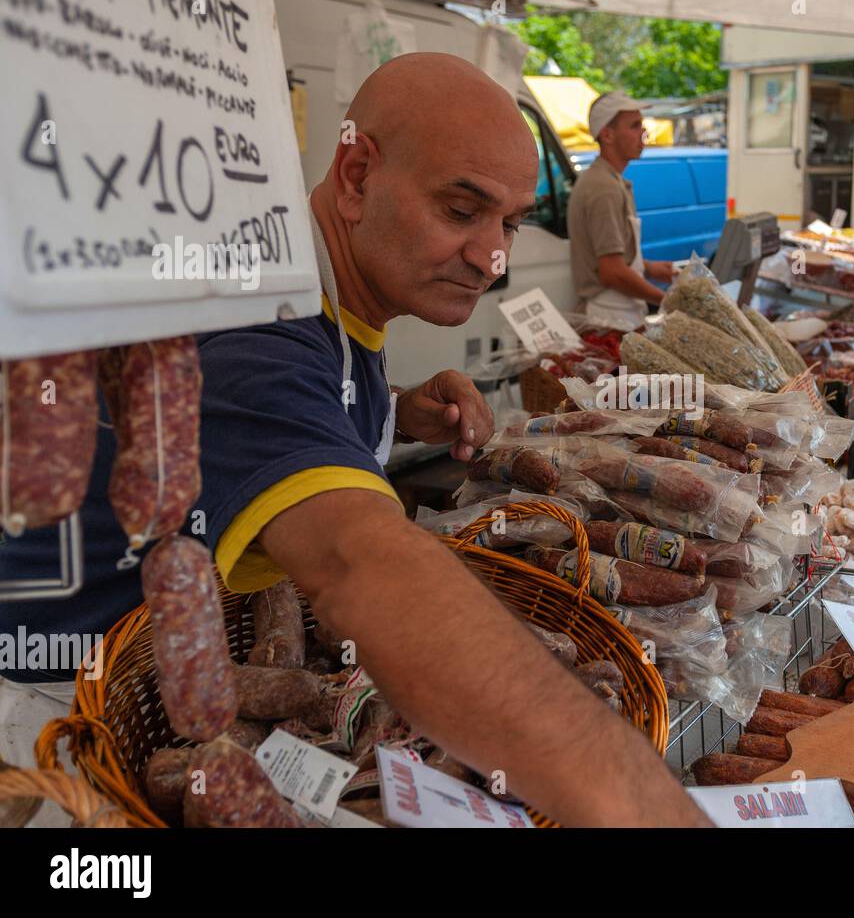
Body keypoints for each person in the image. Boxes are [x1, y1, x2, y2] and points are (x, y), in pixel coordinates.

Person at [0, 54, 711, 827]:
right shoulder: (264, 312)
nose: (492, 256)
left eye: (508, 221)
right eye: (461, 210)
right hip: (72, 734)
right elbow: (354, 561)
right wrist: (645, 809)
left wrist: (393, 412)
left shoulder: (329, 288)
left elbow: (250, 419)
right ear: (354, 174)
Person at [567, 91, 675, 329]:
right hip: (608, 317)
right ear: (607, 135)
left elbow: (614, 258)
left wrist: (649, 267)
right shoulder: (603, 188)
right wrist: (667, 300)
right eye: (635, 126)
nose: (643, 133)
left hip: (621, 312)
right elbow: (612, 272)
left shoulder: (610, 180)